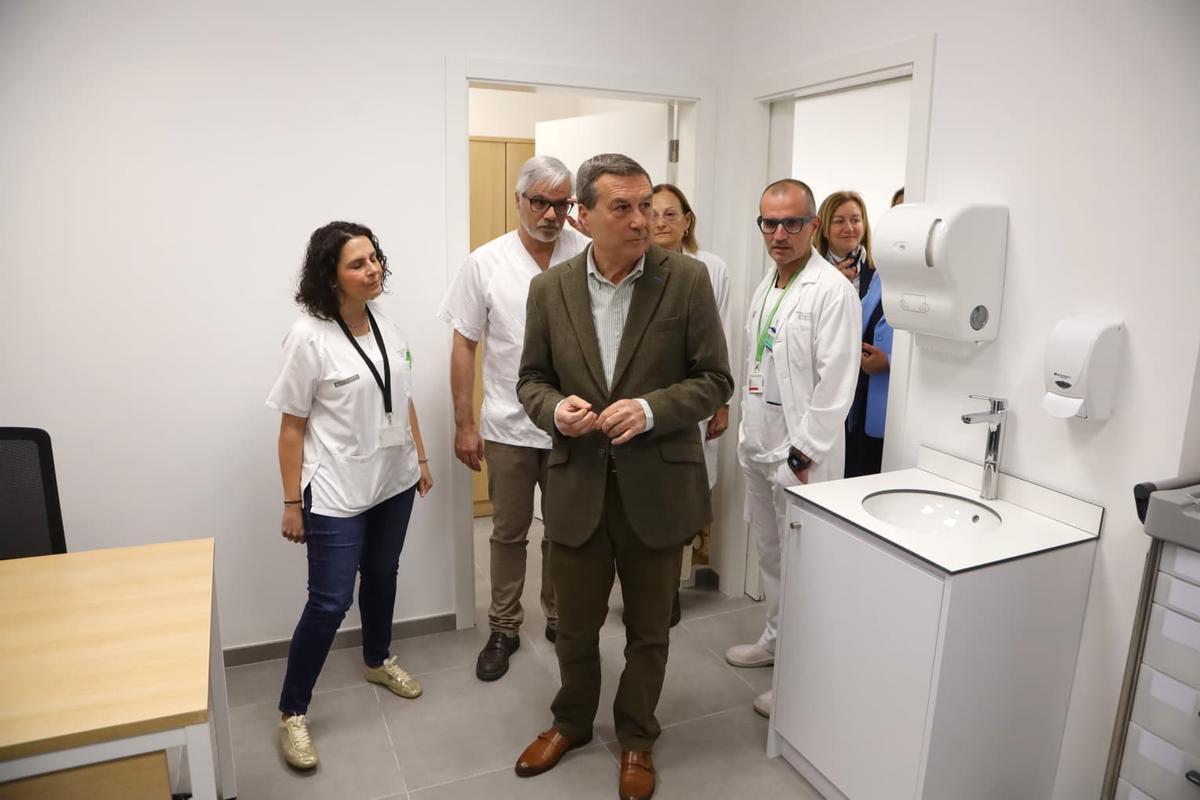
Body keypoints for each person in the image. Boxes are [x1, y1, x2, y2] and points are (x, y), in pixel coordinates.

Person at [513, 154, 732, 800]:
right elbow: (531, 380)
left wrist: (650, 409)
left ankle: (637, 736)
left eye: (646, 206)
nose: (642, 221)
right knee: (574, 626)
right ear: (582, 216)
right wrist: (556, 410)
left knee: (649, 630)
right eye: (623, 208)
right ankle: (572, 721)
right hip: (577, 484)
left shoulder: (686, 280)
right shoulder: (549, 290)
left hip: (657, 488)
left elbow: (715, 379)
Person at [267, 221, 434, 770]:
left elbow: (400, 396)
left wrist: (420, 458)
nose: (373, 270)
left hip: (393, 480)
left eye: (374, 258)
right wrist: (292, 502)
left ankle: (377, 659)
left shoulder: (386, 322)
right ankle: (293, 712)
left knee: (383, 574)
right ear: (330, 276)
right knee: (330, 602)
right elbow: (292, 427)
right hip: (336, 488)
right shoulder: (308, 336)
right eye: (357, 264)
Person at [437, 156, 589, 682]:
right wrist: (464, 424)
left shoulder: (587, 254)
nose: (550, 214)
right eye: (539, 202)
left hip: (574, 424)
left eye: (561, 204)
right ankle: (503, 627)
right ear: (518, 200)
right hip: (508, 424)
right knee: (508, 532)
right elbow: (464, 345)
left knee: (565, 531)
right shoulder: (485, 263)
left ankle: (559, 616)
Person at [725, 179, 861, 718]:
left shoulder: (832, 291)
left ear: (812, 226)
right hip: (760, 444)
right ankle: (776, 639)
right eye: (769, 223)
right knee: (771, 555)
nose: (779, 234)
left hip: (801, 459)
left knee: (806, 569)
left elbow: (836, 384)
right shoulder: (768, 284)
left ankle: (799, 680)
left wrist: (802, 455)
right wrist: (749, 436)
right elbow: (757, 366)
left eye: (792, 223)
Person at [651, 182, 732, 627]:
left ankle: (671, 589)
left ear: (687, 222)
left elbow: (721, 338)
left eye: (671, 214)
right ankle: (646, 588)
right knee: (648, 496)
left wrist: (722, 403)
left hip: (696, 398)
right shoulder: (637, 264)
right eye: (653, 213)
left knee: (685, 496)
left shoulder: (710, 269)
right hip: (647, 402)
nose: (660, 222)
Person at [815, 190, 893, 477]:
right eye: (839, 221)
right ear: (824, 227)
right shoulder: (814, 274)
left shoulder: (881, 271)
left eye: (855, 220)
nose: (849, 228)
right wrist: (834, 283)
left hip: (866, 387)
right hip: (824, 381)